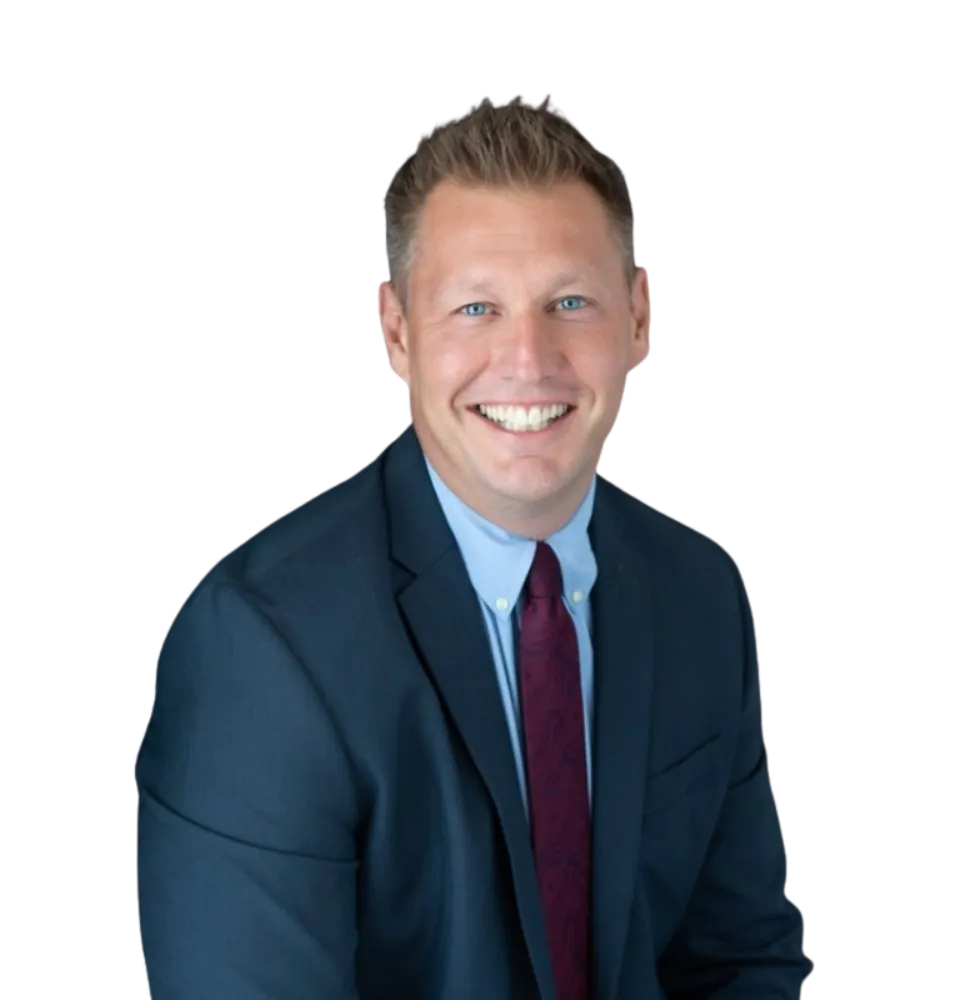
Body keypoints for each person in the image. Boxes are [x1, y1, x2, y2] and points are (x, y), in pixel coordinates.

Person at [135, 94, 811, 999]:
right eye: (476, 307)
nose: (527, 359)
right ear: (396, 333)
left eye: (570, 301)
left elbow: (741, 963)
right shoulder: (262, 648)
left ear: (640, 319)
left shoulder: (701, 594)